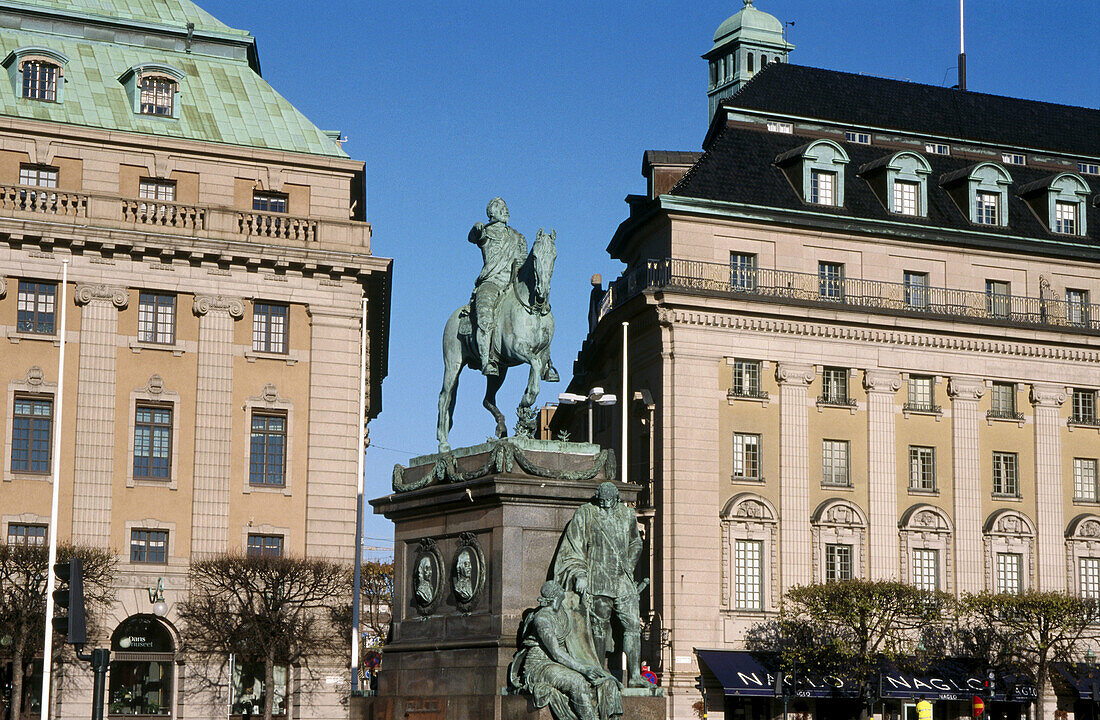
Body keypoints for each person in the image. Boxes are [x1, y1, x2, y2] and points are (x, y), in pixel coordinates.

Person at [553, 482, 647, 688]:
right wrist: (580, 574)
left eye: (608, 502)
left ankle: (635, 676)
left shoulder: (627, 515)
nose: (604, 505)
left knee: (632, 626)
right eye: (601, 501)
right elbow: (574, 547)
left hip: (623, 578)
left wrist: (629, 565)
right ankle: (598, 669)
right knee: (599, 625)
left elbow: (636, 542)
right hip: (599, 577)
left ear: (616, 499)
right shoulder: (586, 513)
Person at [509, 581, 622, 720]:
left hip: (562, 662)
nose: (564, 590)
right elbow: (556, 652)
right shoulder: (542, 619)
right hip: (540, 665)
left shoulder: (563, 613)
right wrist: (584, 669)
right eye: (560, 589)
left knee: (606, 681)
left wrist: (589, 666)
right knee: (577, 681)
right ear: (556, 594)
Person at [468, 197, 527, 375]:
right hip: (491, 282)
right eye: (501, 208)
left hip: (513, 283)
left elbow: (524, 259)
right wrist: (476, 227)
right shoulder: (487, 232)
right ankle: (486, 360)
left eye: (506, 207)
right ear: (492, 213)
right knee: (485, 316)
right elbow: (473, 237)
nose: (505, 210)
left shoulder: (518, 237)